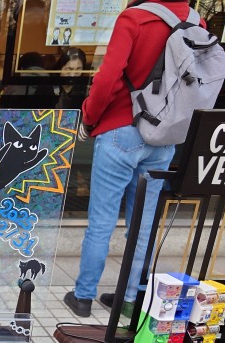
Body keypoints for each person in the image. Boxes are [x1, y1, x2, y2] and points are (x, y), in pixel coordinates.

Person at [64, 0, 206, 318]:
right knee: (143, 224)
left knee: (102, 220)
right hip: (165, 135)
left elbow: (108, 78)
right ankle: (129, 300)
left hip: (122, 129)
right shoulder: (197, 23)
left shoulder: (135, 18)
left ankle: (83, 297)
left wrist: (89, 118)